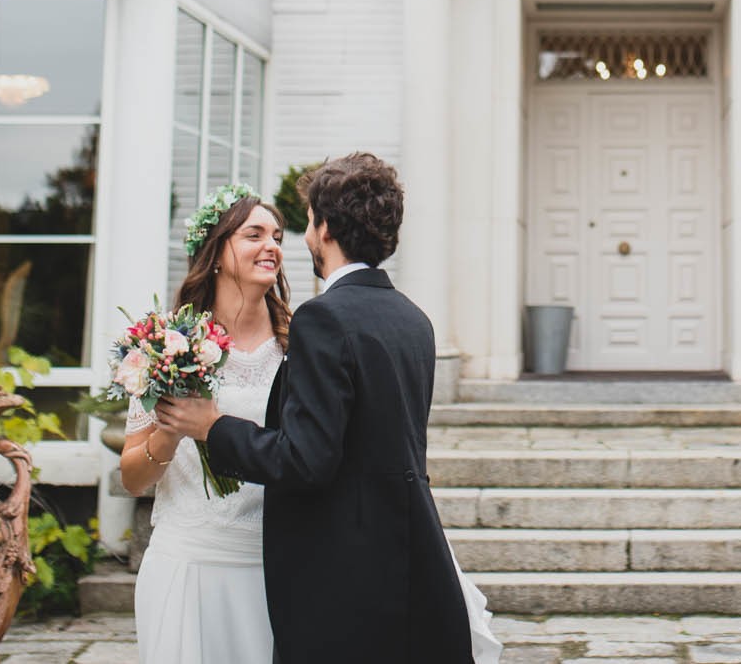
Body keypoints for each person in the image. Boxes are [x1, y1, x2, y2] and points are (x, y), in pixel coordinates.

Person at [158, 154, 498, 664]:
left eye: (310, 223)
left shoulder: (322, 319)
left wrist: (214, 428)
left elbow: (306, 460)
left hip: (339, 574)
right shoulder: (414, 320)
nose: (304, 238)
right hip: (406, 559)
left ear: (326, 227)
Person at [120, 185, 290, 664]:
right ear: (216, 252)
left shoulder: (298, 343)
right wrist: (170, 432)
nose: (271, 246)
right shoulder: (167, 344)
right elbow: (132, 478)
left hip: (273, 564)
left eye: (276, 236)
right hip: (188, 562)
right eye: (254, 234)